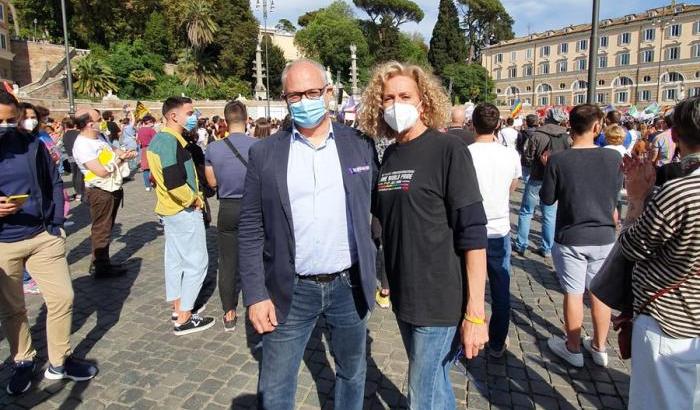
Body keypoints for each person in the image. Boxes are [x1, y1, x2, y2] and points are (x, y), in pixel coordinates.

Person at [239, 59, 378, 410]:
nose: (304, 101)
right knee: (275, 384)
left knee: (352, 371)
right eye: (295, 95)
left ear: (328, 93)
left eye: (312, 92)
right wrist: (255, 294)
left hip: (348, 285)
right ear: (285, 99)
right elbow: (251, 228)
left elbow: (377, 211)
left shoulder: (360, 144)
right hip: (290, 288)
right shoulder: (264, 153)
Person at [359, 61, 489, 409]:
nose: (395, 104)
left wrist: (476, 313)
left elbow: (474, 233)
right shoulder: (388, 156)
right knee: (434, 386)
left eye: (404, 96)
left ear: (423, 103)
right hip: (404, 295)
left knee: (422, 393)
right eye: (387, 98)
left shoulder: (448, 150)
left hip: (440, 297)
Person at [0, 91, 98, 395]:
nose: (6, 125)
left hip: (42, 235)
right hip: (3, 243)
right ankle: (23, 359)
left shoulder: (32, 142)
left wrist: (55, 224)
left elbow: (54, 181)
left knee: (63, 298)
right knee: (13, 308)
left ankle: (60, 359)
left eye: (10, 119)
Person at [619, 96, 700, 409]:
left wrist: (637, 199)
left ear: (675, 135)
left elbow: (631, 245)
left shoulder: (679, 192)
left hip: (673, 323)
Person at [540, 104, 622, 368]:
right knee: (599, 293)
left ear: (570, 126)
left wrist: (548, 168)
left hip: (572, 234)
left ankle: (573, 347)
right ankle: (599, 347)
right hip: (603, 235)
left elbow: (547, 198)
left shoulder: (559, 159)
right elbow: (614, 197)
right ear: (597, 127)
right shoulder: (612, 158)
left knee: (574, 293)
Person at [147, 97, 215, 335]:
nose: (193, 116)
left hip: (169, 210)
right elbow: (175, 183)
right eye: (189, 112)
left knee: (175, 261)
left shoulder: (162, 139)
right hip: (182, 210)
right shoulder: (169, 143)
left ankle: (178, 307)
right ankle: (185, 316)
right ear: (174, 116)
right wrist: (194, 200)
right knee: (197, 263)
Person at [468, 103, 521, 358]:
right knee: (501, 290)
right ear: (498, 125)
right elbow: (513, 185)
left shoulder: (465, 153)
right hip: (499, 228)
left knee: (468, 287)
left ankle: (466, 332)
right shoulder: (510, 154)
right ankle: (498, 342)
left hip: (470, 229)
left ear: (472, 125)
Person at [205, 101, 257, 332]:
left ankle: (229, 312)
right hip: (253, 207)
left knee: (227, 262)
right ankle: (259, 303)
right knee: (258, 256)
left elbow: (212, 182)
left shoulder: (213, 149)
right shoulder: (258, 146)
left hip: (227, 207)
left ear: (225, 122)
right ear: (247, 119)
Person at [72, 109, 135, 278]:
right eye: (99, 120)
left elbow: (114, 150)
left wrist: (125, 154)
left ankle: (103, 262)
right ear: (89, 124)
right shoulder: (82, 145)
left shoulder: (100, 137)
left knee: (107, 227)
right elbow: (100, 171)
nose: (103, 122)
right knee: (102, 229)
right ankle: (100, 266)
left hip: (112, 187)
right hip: (100, 190)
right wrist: (120, 160)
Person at [513, 108, 570, 258]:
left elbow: (527, 157)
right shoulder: (566, 137)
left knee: (526, 212)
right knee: (549, 215)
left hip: (536, 178)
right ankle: (547, 248)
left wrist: (536, 162)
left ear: (548, 118)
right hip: (554, 180)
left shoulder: (537, 135)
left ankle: (521, 244)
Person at [62, 117, 84, 201]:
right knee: (80, 175)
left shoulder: (65, 134)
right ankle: (81, 192)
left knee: (75, 174)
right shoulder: (78, 133)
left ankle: (78, 193)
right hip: (79, 156)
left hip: (70, 156)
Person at [517, 114, 539, 183]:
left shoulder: (522, 133)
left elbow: (519, 146)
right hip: (537, 159)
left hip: (525, 158)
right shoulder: (540, 133)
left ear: (526, 122)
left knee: (526, 178)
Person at [137, 115, 157, 191]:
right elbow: (156, 140)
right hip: (152, 148)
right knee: (154, 167)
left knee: (146, 169)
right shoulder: (151, 130)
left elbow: (139, 141)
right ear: (149, 122)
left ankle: (147, 185)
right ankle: (154, 183)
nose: (153, 124)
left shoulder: (140, 130)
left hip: (144, 149)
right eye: (152, 122)